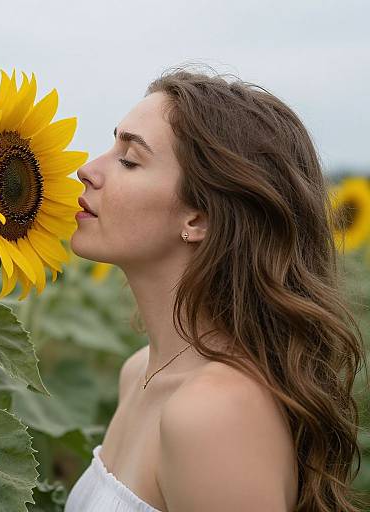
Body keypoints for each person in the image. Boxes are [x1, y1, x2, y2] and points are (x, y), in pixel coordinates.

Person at [66, 65, 367, 512]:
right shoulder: (140, 374)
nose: (86, 170)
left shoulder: (214, 413)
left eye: (129, 159)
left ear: (198, 218)